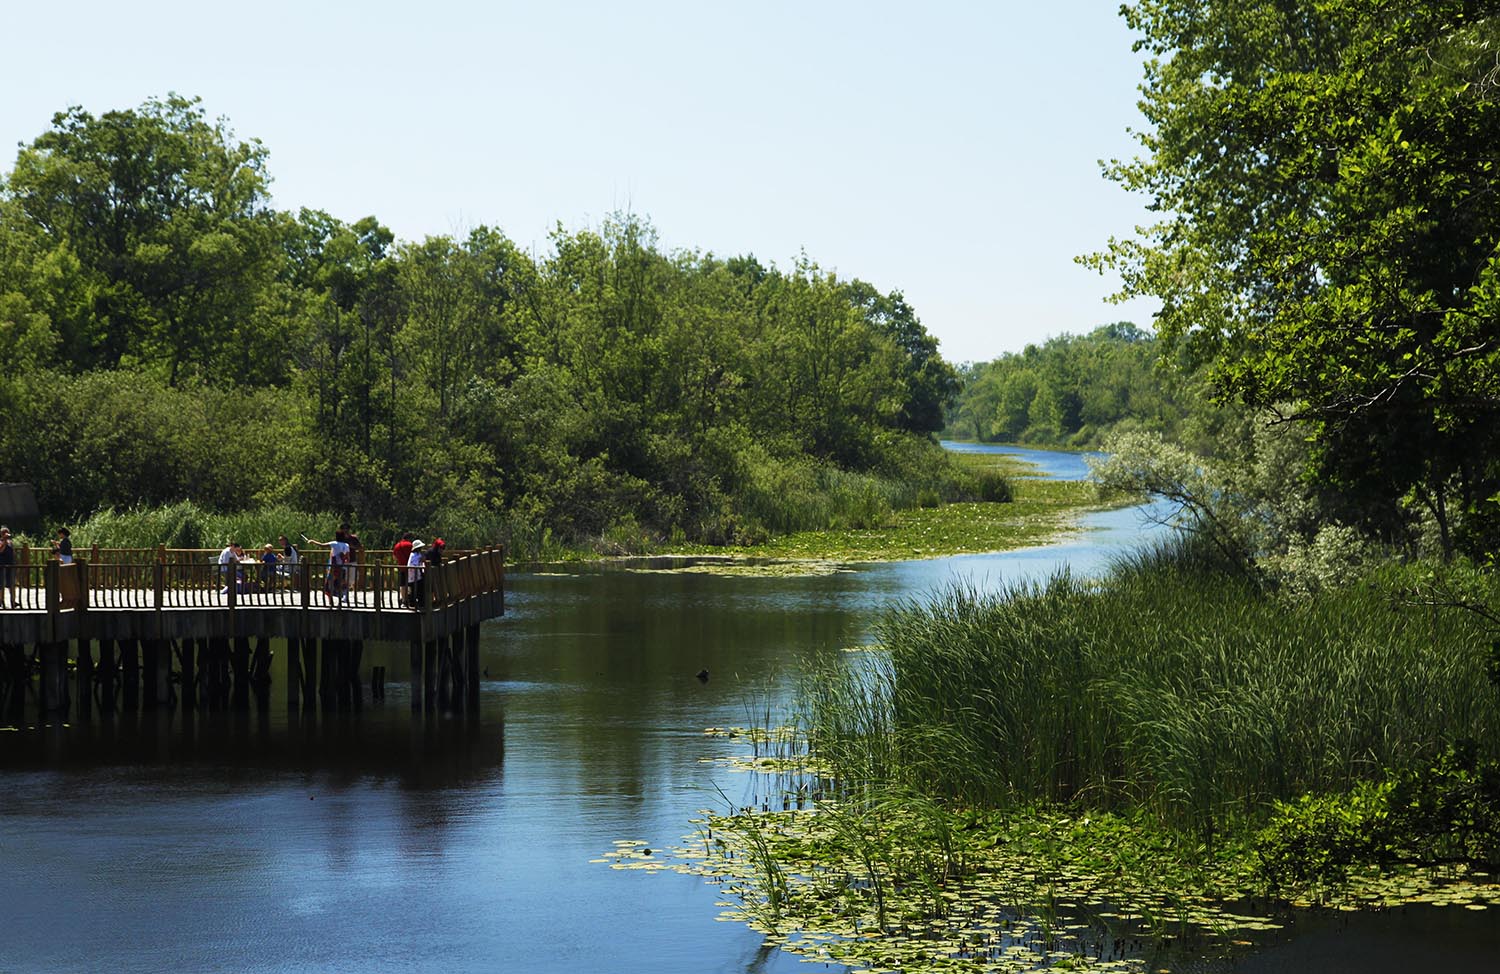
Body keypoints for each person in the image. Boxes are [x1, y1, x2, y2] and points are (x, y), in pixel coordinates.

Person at [305, 530, 351, 606]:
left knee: (328, 585)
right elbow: (347, 558)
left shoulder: (334, 543)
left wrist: (312, 541)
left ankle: (331, 601)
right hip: (342, 568)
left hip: (333, 568)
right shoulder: (346, 545)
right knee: (339, 584)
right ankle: (340, 600)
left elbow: (322, 545)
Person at [392, 531, 413, 604]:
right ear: (409, 538)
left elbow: (394, 557)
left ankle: (404, 600)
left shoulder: (397, 545)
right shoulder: (410, 545)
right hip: (410, 568)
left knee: (402, 584)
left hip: (401, 567)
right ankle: (410, 598)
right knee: (411, 584)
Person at [405, 539, 427, 608]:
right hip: (413, 577)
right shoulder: (413, 555)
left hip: (418, 576)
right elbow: (412, 565)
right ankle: (413, 604)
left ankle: (421, 604)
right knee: (414, 591)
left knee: (420, 591)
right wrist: (420, 561)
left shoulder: (418, 554)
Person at [0, 525, 15, 608]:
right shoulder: (1, 542)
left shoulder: (11, 542)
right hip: (2, 566)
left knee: (11, 585)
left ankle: (13, 601)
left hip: (11, 565)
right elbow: (1, 550)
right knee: (1, 585)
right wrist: (4, 541)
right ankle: (1, 601)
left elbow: (13, 552)